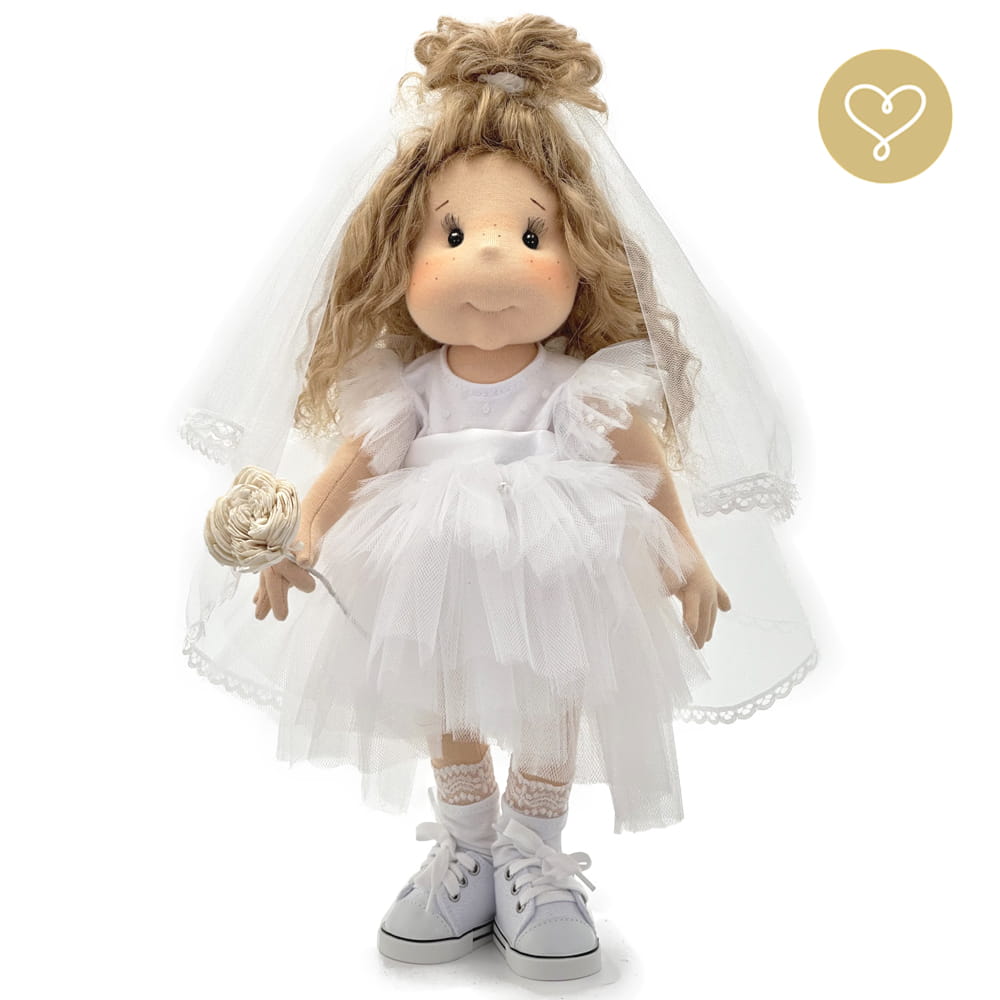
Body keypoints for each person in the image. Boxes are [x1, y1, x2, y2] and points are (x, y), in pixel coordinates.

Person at [178, 14, 819, 983]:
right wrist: (297, 539)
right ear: (400, 255)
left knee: (558, 685)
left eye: (528, 235)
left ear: (580, 253)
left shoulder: (577, 384)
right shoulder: (407, 387)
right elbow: (354, 464)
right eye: (453, 234)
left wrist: (684, 554)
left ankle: (533, 851)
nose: (488, 257)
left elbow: (641, 461)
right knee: (439, 686)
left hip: (559, 555)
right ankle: (468, 846)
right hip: (423, 559)